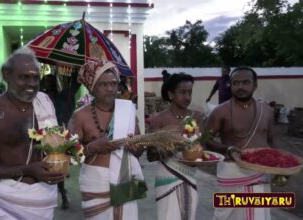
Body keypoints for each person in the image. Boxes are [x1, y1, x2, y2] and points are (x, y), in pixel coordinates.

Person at [0, 48, 64, 220]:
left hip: (42, 198)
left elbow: (53, 146)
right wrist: (26, 170)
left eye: (35, 77)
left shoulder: (45, 102)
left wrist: (61, 162)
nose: (32, 84)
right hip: (5, 201)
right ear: (6, 75)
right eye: (24, 77)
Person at [69, 60, 147, 219]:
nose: (110, 88)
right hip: (95, 183)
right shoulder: (80, 116)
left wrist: (135, 148)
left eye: (113, 83)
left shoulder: (127, 110)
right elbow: (69, 156)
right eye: (103, 84)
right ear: (92, 88)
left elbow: (139, 149)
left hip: (125, 178)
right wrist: (93, 148)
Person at [206, 67, 275, 220]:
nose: (240, 87)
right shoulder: (219, 111)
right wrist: (226, 149)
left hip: (260, 174)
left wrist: (281, 168)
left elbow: (271, 141)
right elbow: (205, 140)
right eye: (236, 83)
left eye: (245, 82)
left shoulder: (267, 110)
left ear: (255, 85)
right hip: (232, 173)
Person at [147, 73, 205, 220]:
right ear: (171, 94)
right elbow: (150, 155)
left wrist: (197, 150)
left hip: (190, 176)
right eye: (182, 92)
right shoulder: (159, 120)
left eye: (190, 92)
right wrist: (175, 146)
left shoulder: (197, 117)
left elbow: (202, 148)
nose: (187, 97)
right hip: (167, 178)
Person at [41, 74, 69, 209]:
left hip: (56, 134)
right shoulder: (41, 96)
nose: (48, 83)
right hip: (41, 134)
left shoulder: (60, 95)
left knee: (57, 165)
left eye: (50, 81)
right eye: (46, 80)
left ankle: (63, 195)